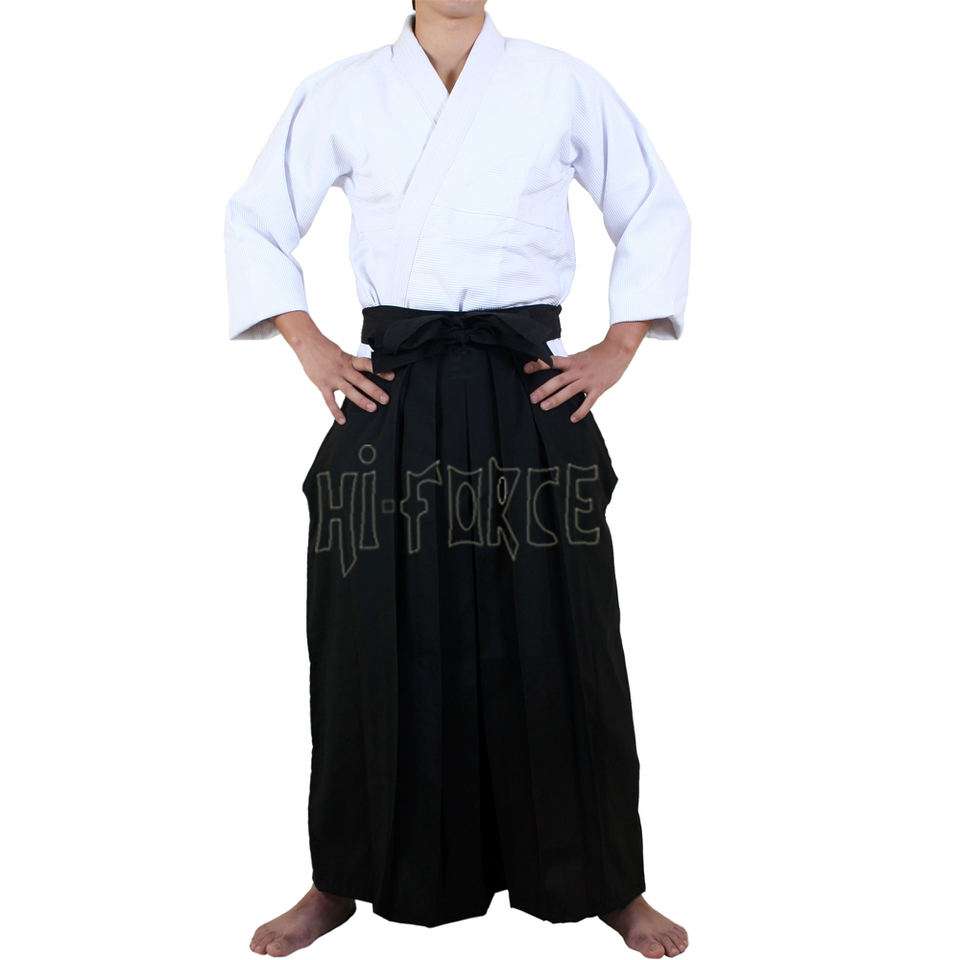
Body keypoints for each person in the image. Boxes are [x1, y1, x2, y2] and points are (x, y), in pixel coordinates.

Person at [224, 2, 691, 957]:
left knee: (565, 627)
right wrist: (308, 343)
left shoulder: (560, 82)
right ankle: (343, 875)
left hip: (529, 386)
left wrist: (619, 344)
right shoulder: (342, 91)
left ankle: (605, 878)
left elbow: (654, 208)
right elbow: (254, 220)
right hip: (394, 387)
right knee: (366, 631)